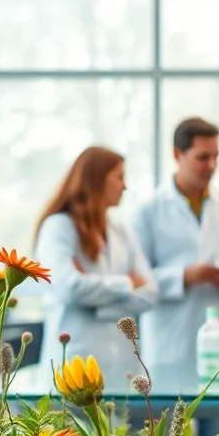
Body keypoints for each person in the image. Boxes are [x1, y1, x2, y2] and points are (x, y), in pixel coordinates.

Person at [134, 117, 219, 436]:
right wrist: (185, 277)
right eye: (203, 157)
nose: (211, 166)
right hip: (169, 341)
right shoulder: (148, 211)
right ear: (178, 154)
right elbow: (136, 278)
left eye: (216, 156)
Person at [34, 146, 157, 384]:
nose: (125, 186)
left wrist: (93, 306)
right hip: (72, 364)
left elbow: (151, 292)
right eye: (119, 177)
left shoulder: (121, 230)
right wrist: (128, 282)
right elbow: (68, 288)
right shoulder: (59, 226)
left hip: (122, 368)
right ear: (97, 180)